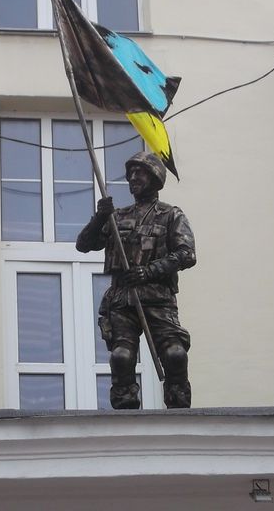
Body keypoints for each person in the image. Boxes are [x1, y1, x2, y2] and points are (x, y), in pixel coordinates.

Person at [76, 152, 196, 409]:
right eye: (130, 174)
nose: (132, 178)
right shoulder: (117, 217)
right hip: (121, 299)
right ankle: (125, 411)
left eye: (139, 173)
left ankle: (178, 407)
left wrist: (149, 271)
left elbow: (187, 254)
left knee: (175, 355)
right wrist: (100, 217)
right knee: (121, 357)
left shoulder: (171, 215)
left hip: (158, 298)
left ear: (154, 177)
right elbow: (83, 245)